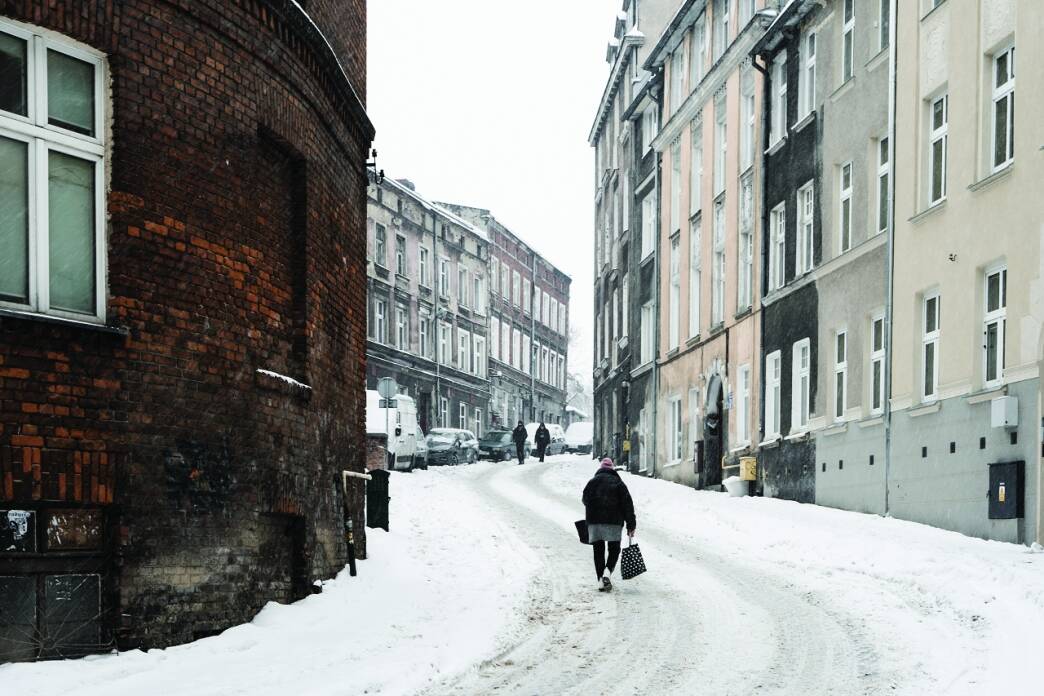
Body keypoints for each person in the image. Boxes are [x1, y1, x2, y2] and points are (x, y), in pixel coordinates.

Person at [582, 457, 636, 592]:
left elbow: (585, 499)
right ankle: (607, 571)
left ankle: (600, 580)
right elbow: (627, 505)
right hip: (614, 522)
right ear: (612, 469)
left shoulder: (592, 482)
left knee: (598, 551)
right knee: (614, 549)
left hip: (595, 523)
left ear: (600, 468)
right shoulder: (618, 483)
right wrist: (631, 524)